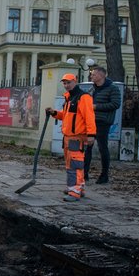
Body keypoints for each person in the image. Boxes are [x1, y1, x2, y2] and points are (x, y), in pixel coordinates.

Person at [45, 73, 96, 202]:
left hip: (77, 137)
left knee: (75, 165)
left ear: (75, 81)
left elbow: (89, 117)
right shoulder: (69, 98)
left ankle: (75, 191)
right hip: (68, 137)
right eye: (65, 83)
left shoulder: (83, 98)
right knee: (71, 164)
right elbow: (67, 116)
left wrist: (91, 135)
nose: (66, 85)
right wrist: (55, 113)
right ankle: (77, 187)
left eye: (69, 82)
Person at [84, 65, 122, 184]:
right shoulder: (92, 89)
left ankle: (104, 175)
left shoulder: (113, 88)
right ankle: (84, 174)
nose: (91, 76)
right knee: (87, 147)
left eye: (94, 74)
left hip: (103, 122)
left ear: (101, 75)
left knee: (102, 147)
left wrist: (96, 107)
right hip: (90, 121)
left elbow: (115, 104)